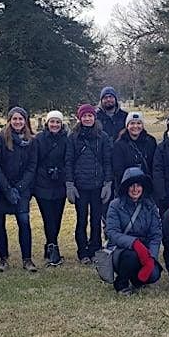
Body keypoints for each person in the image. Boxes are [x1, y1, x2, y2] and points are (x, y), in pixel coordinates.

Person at [0, 106, 39, 272]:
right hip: (2, 187)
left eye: (21, 119)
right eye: (15, 119)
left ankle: (27, 259)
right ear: (9, 120)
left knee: (24, 222)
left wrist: (19, 187)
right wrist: (7, 188)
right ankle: (3, 258)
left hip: (22, 188)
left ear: (25, 121)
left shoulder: (31, 141)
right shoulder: (0, 139)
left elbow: (32, 166)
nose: (18, 122)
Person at [65, 104, 112, 265]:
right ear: (80, 118)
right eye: (84, 116)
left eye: (90, 116)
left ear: (94, 117)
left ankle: (95, 249)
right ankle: (82, 251)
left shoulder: (103, 137)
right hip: (80, 186)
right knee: (81, 219)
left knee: (96, 220)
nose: (87, 118)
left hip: (98, 185)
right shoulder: (73, 137)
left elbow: (107, 161)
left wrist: (108, 183)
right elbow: (69, 161)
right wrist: (69, 184)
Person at [105, 167, 163, 295]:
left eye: (138, 185)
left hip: (145, 250)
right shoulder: (115, 205)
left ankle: (136, 279)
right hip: (122, 250)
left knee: (154, 275)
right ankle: (121, 283)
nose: (135, 189)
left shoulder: (150, 206)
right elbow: (112, 233)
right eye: (131, 186)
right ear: (126, 187)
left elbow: (156, 235)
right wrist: (134, 243)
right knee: (131, 257)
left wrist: (151, 258)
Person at [34, 110, 70, 266]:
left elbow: (68, 159)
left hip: (60, 183)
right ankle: (53, 247)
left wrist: (61, 173)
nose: (54, 125)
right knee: (48, 217)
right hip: (43, 184)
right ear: (47, 123)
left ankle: (50, 244)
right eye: (52, 122)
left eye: (57, 122)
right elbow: (34, 161)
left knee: (57, 218)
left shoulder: (66, 139)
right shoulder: (39, 139)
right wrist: (45, 173)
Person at [111, 111, 157, 187]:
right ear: (127, 125)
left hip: (147, 184)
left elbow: (154, 164)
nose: (135, 126)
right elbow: (118, 170)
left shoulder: (151, 141)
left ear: (142, 125)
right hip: (127, 185)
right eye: (132, 123)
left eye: (139, 123)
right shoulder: (119, 144)